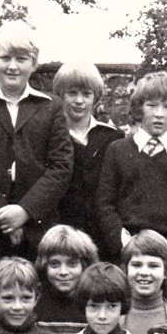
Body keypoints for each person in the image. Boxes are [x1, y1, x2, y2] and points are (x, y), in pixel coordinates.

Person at [0, 20, 73, 267]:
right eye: (5, 58)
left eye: (21, 58)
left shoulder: (51, 107)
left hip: (38, 229)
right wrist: (3, 213)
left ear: (33, 63)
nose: (12, 66)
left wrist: (24, 212)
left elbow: (61, 167)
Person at [97, 71, 167, 262]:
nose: (159, 114)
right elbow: (105, 204)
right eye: (151, 105)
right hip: (127, 248)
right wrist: (124, 245)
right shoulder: (117, 150)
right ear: (139, 109)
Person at [52, 60, 123, 260]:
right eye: (72, 93)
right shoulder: (50, 136)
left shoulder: (112, 137)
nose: (79, 100)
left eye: (86, 94)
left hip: (102, 235)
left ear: (96, 97)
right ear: (61, 95)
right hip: (62, 231)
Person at [35, 223, 99, 334]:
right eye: (55, 264)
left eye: (72, 264)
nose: (63, 272)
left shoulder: (95, 303)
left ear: (84, 266)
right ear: (44, 266)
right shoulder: (36, 303)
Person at [121, 229, 167, 334]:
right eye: (136, 265)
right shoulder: (114, 316)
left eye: (153, 266)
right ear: (126, 270)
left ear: (166, 272)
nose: (144, 272)